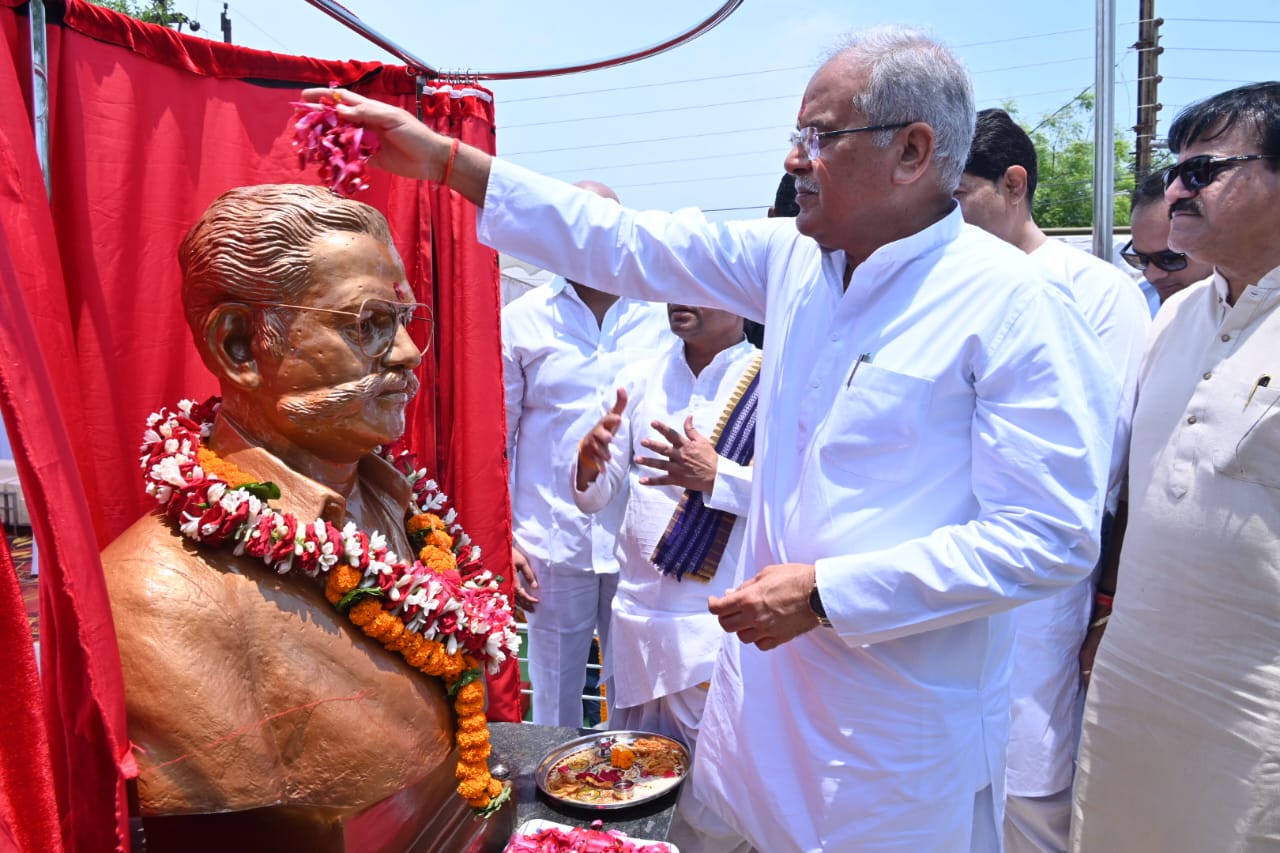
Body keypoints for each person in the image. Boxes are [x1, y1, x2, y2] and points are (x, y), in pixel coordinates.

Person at [302, 24, 1117, 851]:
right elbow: (630, 242)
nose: (796, 159)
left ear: (913, 151)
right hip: (759, 703)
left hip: (888, 735)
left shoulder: (1014, 306)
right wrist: (446, 160)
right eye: (798, 136)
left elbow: (1047, 538)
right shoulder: (793, 262)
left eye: (821, 137)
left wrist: (827, 592)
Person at [101, 185, 504, 851]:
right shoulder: (160, 596)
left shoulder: (403, 509)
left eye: (405, 319)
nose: (406, 353)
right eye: (367, 324)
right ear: (238, 345)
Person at [1071, 81, 1280, 853]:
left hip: (1254, 705)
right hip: (1136, 681)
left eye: (1208, 168)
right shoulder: (1174, 320)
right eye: (1175, 169)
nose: (1177, 188)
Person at [954, 107, 1151, 853]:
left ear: (1013, 185)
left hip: (1033, 592)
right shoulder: (951, 286)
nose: (946, 218)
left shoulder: (1098, 292)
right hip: (944, 582)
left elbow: (1096, 461)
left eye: (959, 197)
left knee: (1028, 803)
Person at [501, 181, 671, 727]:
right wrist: (502, 535)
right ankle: (553, 809)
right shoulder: (524, 319)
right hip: (549, 543)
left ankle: (622, 802)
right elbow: (499, 437)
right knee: (553, 698)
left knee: (633, 695)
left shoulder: (661, 318)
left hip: (638, 543)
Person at [572, 304, 759, 750]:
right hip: (636, 616)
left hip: (714, 623)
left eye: (697, 286)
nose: (679, 298)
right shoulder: (639, 377)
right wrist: (584, 463)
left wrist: (719, 477)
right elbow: (594, 496)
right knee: (633, 770)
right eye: (673, 285)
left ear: (742, 298)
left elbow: (796, 499)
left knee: (712, 787)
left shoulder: (774, 382)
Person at [1120, 169, 1215, 307]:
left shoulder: (1251, 319)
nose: (1152, 275)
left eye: (1169, 259)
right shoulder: (1137, 303)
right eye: (1141, 260)